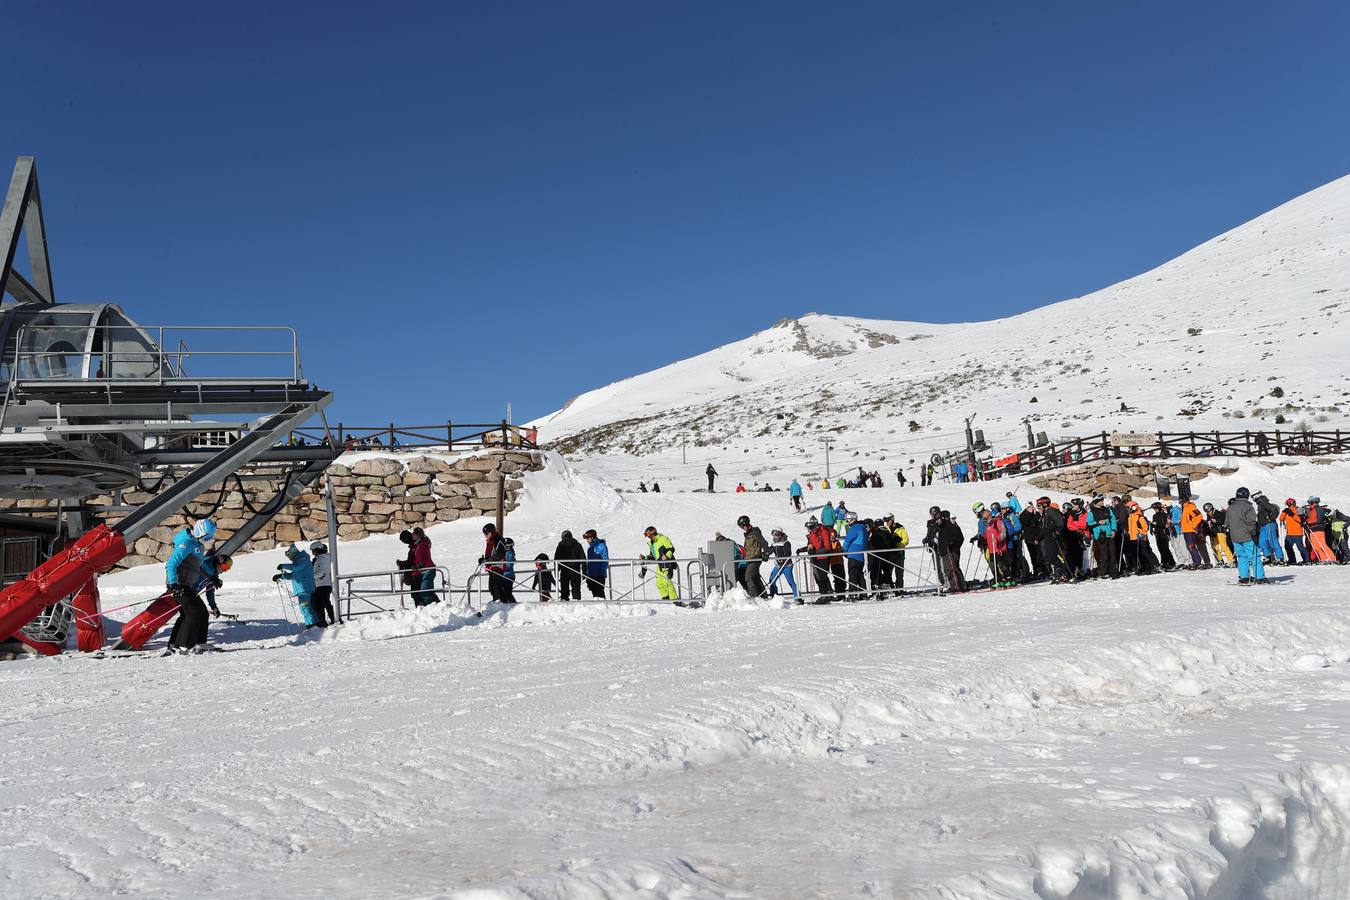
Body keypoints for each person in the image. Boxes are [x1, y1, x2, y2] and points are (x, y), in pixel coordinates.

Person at [165, 519, 219, 654]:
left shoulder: (197, 544)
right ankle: (184, 646)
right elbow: (171, 564)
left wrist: (211, 577)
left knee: (197, 612)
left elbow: (197, 566)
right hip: (178, 583)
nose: (207, 539)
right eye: (207, 536)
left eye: (210, 537)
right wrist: (173, 584)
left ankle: (191, 643)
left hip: (186, 584)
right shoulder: (186, 543)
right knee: (194, 610)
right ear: (200, 532)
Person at [1227, 487, 1268, 585]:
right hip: (1247, 536)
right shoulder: (1248, 507)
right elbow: (1251, 522)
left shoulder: (1231, 507)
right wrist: (1254, 533)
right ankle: (1260, 577)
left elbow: (1227, 523)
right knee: (1255, 556)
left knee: (1241, 557)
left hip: (1235, 537)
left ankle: (1244, 577)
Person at [274, 542, 317, 624]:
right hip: (303, 589)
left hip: (304, 589)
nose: (289, 559)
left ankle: (311, 625)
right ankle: (315, 624)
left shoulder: (303, 560)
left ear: (293, 555)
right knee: (308, 608)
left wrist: (284, 566)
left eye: (289, 557)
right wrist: (280, 576)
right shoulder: (299, 562)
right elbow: (293, 575)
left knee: (305, 608)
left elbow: (296, 568)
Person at [400, 528, 437, 606]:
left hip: (427, 571)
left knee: (424, 594)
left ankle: (434, 608)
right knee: (428, 592)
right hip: (423, 571)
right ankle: (438, 607)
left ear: (417, 535)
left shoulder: (422, 545)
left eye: (413, 534)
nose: (412, 535)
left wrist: (417, 565)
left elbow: (424, 558)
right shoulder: (418, 544)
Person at [642, 525, 679, 601]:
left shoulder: (662, 538)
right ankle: (665, 599)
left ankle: (675, 601)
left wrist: (667, 556)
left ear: (653, 532)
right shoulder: (652, 543)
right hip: (660, 565)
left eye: (648, 534)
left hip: (667, 563)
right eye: (646, 535)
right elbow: (653, 556)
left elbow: (671, 548)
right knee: (659, 583)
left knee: (667, 582)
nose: (648, 537)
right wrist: (644, 557)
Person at [481, 523, 514, 604]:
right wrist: (483, 560)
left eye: (486, 533)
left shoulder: (497, 540)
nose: (485, 535)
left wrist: (488, 560)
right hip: (492, 568)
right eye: (484, 534)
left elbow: (501, 554)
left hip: (497, 567)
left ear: (491, 532)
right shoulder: (491, 541)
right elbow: (491, 554)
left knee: (496, 587)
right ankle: (499, 603)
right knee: (492, 587)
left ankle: (500, 604)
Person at [1087, 497, 1118, 579]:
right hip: (1099, 535)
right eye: (1101, 500)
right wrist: (1098, 522)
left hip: (1109, 534)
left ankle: (1113, 572)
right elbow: (1088, 523)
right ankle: (1102, 572)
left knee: (1112, 554)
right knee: (1103, 555)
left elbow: (1113, 520)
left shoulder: (1108, 510)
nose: (1102, 502)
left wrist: (1114, 530)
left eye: (1103, 500)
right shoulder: (1091, 512)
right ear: (1096, 502)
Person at [737, 515, 768, 597]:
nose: (742, 528)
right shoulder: (748, 534)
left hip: (755, 559)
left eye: (742, 526)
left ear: (745, 524)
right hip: (750, 559)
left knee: (748, 577)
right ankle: (763, 596)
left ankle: (754, 596)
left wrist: (766, 553)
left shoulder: (754, 532)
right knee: (755, 577)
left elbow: (764, 543)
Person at [767, 527, 800, 602]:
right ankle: (774, 597)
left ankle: (797, 597)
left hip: (786, 565)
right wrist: (765, 554)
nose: (775, 536)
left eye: (776, 534)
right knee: (772, 581)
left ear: (780, 534)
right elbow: (770, 551)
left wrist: (781, 558)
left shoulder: (785, 542)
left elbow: (788, 553)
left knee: (790, 581)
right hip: (778, 566)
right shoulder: (774, 543)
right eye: (773, 534)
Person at [841, 512, 869, 600]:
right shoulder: (864, 528)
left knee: (852, 574)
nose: (847, 522)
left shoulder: (855, 528)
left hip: (853, 555)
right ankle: (863, 593)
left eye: (847, 520)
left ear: (851, 519)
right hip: (861, 556)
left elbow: (847, 540)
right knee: (860, 575)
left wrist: (844, 551)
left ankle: (852, 593)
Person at [1253, 492, 1285, 564]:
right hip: (1263, 525)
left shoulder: (1263, 502)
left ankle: (1280, 558)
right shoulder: (1260, 504)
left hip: (1269, 524)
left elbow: (1274, 509)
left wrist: (1270, 518)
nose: (1253, 499)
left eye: (1253, 497)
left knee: (1272, 541)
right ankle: (1268, 557)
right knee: (1262, 542)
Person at [1180, 499, 1211, 569]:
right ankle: (1195, 562)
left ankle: (1197, 562)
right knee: (1189, 546)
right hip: (1185, 530)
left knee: (1191, 546)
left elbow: (1199, 516)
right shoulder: (1184, 508)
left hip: (1190, 530)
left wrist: (1194, 524)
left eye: (1180, 500)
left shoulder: (1190, 507)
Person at [555, 530, 585, 601]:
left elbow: (557, 558)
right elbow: (583, 558)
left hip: (564, 570)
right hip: (575, 570)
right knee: (576, 587)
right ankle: (577, 601)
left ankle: (564, 601)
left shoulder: (561, 545)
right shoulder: (577, 544)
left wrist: (556, 570)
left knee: (564, 587)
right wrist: (584, 571)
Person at [310, 541, 335, 625]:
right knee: (325, 603)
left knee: (321, 604)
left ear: (317, 549)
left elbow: (320, 573)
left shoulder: (322, 559)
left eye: (313, 550)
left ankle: (324, 621)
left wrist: (310, 576)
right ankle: (332, 619)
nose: (312, 553)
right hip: (325, 584)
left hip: (322, 584)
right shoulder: (325, 558)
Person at [1202, 503, 1235, 568]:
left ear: (1211, 508)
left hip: (1220, 531)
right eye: (1207, 512)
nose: (1208, 513)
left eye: (1209, 511)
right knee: (1215, 548)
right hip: (1213, 533)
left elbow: (1224, 521)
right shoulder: (1208, 515)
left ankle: (1231, 560)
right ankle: (1220, 561)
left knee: (1224, 546)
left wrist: (1216, 521)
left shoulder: (1218, 513)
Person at [1279, 498, 1309, 564]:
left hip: (1297, 533)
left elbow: (1300, 520)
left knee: (1300, 547)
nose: (1289, 506)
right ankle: (1292, 560)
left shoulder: (1298, 510)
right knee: (1288, 547)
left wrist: (1292, 514)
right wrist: (1284, 512)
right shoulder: (1287, 511)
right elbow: (1281, 518)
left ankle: (1307, 560)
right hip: (1289, 533)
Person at [1150, 502, 1177, 570]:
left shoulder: (1164, 515)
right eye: (1154, 509)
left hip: (1164, 533)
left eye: (1156, 508)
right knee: (1160, 548)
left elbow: (1164, 524)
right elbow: (1154, 523)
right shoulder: (1154, 515)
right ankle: (1164, 562)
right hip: (1158, 534)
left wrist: (1155, 523)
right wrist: (1151, 526)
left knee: (1165, 548)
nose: (1155, 510)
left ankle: (1171, 562)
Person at [583, 529, 609, 598]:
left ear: (592, 537)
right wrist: (588, 574)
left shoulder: (601, 546)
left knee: (600, 594)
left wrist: (602, 573)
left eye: (588, 538)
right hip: (591, 575)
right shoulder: (590, 549)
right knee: (595, 595)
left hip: (599, 575)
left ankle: (604, 607)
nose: (587, 541)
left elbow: (605, 561)